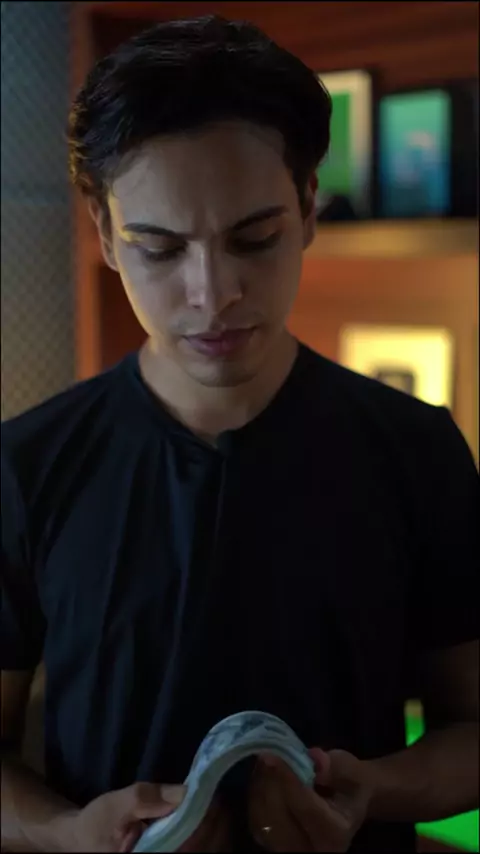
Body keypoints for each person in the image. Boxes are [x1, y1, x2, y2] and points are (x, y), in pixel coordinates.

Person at [1, 14, 478, 854]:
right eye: (160, 249)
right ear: (105, 233)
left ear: (308, 206)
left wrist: (379, 789)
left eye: (254, 239)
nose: (212, 293)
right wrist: (71, 833)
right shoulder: (25, 468)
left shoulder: (417, 451)